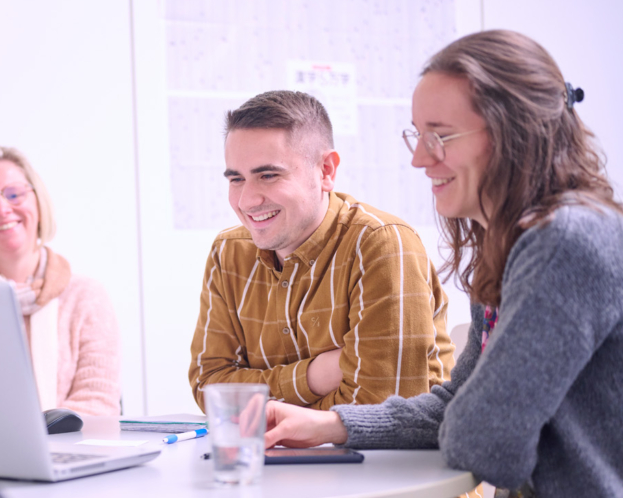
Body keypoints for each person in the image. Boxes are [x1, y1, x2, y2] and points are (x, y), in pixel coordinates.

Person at [261, 30, 623, 497]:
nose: (419, 158)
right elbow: (456, 405)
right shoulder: (511, 244)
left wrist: (472, 425)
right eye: (417, 134)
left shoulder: (566, 244)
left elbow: (484, 444)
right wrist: (332, 424)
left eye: (440, 136)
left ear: (518, 132)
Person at [188, 90, 455, 412]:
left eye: (268, 175)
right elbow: (209, 389)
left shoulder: (382, 244)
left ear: (326, 170)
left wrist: (265, 408)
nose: (246, 201)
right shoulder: (228, 252)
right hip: (280, 459)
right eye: (236, 179)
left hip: (386, 462)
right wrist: (318, 375)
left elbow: (383, 409)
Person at [0, 146, 120, 416]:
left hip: (67, 454)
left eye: (14, 194)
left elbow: (98, 406)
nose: (2, 208)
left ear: (38, 202)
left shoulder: (85, 298)